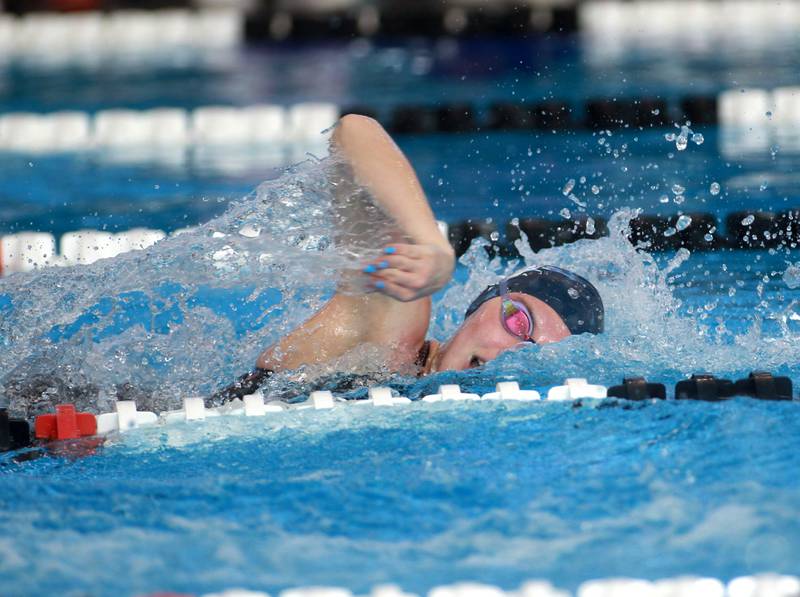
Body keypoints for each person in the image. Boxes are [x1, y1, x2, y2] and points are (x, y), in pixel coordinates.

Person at [213, 115, 604, 402]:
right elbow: (354, 132)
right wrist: (430, 245)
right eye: (518, 321)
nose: (511, 354)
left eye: (538, 353)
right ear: (483, 303)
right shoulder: (391, 338)